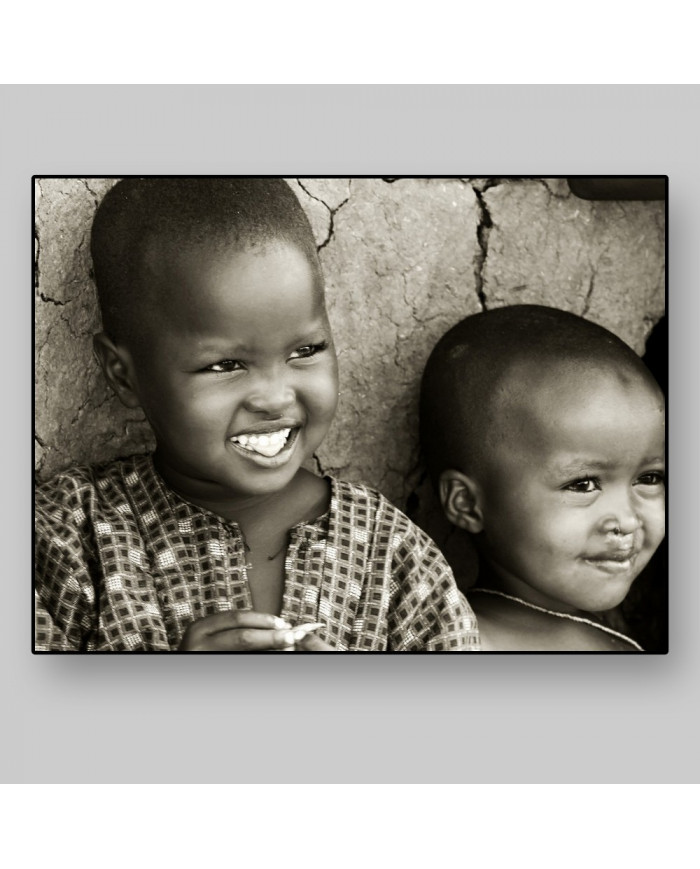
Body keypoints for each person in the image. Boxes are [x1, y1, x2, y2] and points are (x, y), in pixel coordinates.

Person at [35, 177, 480, 652]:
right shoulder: (68, 539)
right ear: (124, 375)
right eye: (225, 365)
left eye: (305, 350)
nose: (274, 397)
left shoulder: (389, 555)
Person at [420, 304, 665, 652]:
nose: (626, 520)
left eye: (649, 478)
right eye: (582, 485)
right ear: (469, 504)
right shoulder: (461, 645)